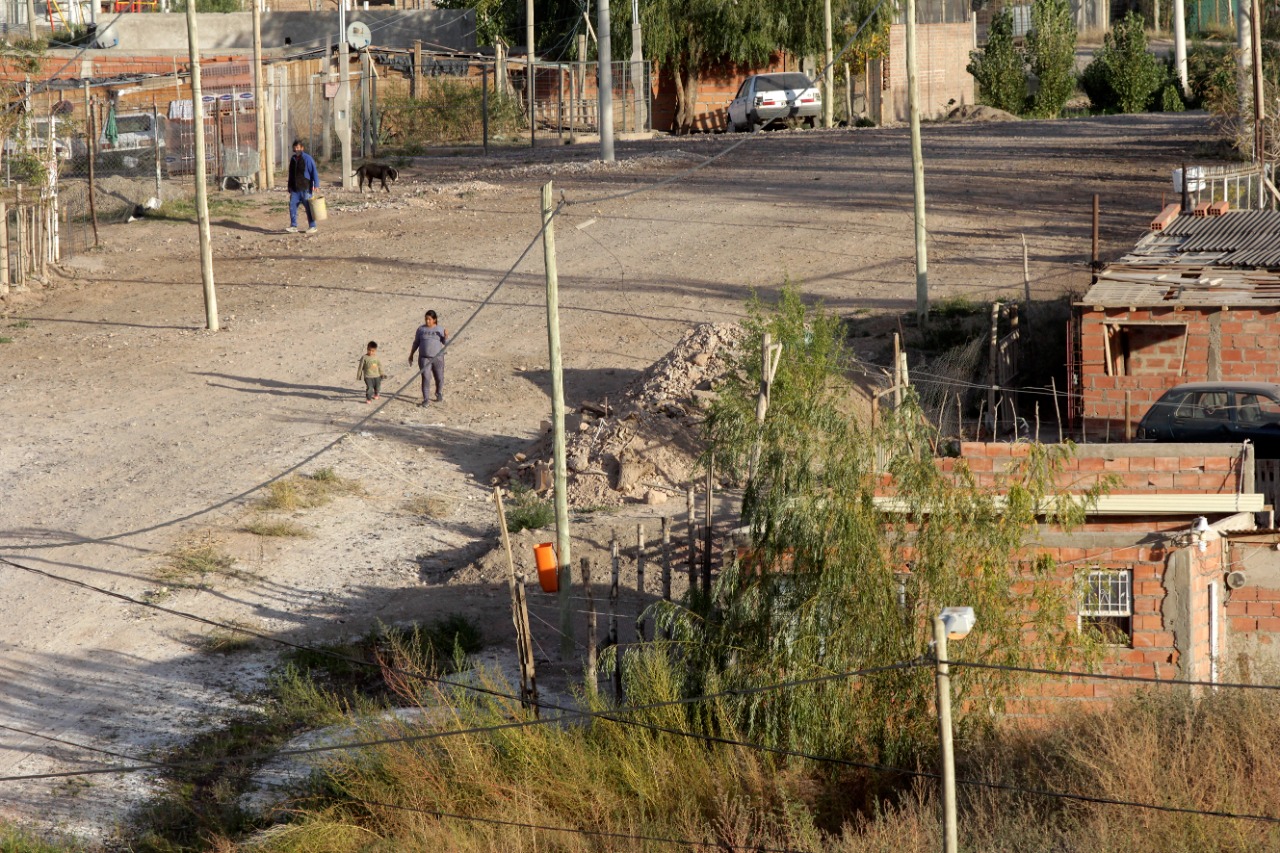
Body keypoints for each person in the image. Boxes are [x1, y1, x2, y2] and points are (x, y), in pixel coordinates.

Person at [408, 310, 448, 407]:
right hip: (424, 358)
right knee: (426, 378)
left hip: (438, 358)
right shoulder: (421, 329)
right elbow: (416, 343)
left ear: (434, 320)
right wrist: (411, 354)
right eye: (426, 319)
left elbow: (446, 343)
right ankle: (426, 399)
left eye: (429, 319)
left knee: (439, 377)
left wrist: (446, 336)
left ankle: (438, 393)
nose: (427, 321)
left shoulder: (440, 329)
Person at [286, 139, 320, 234]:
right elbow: (291, 174)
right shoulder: (293, 159)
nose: (296, 149)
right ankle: (293, 226)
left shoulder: (307, 159)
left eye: (298, 147)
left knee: (309, 208)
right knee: (292, 206)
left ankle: (312, 226)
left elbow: (314, 171)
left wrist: (316, 184)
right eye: (295, 148)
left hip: (306, 188)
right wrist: (289, 186)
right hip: (295, 189)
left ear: (302, 148)